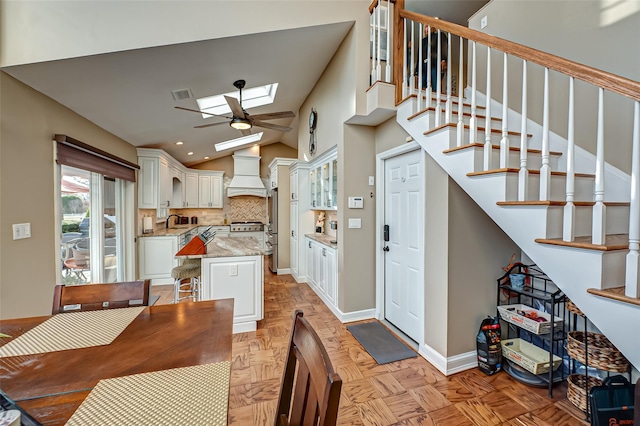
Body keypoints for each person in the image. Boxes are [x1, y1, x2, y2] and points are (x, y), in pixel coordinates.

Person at [415, 25, 447, 92]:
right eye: (426, 27)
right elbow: (419, 56)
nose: (426, 29)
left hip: (434, 63)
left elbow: (443, 47)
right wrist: (417, 71)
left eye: (428, 27)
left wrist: (443, 59)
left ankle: (436, 97)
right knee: (422, 85)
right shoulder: (423, 41)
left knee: (435, 83)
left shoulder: (438, 36)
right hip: (423, 66)